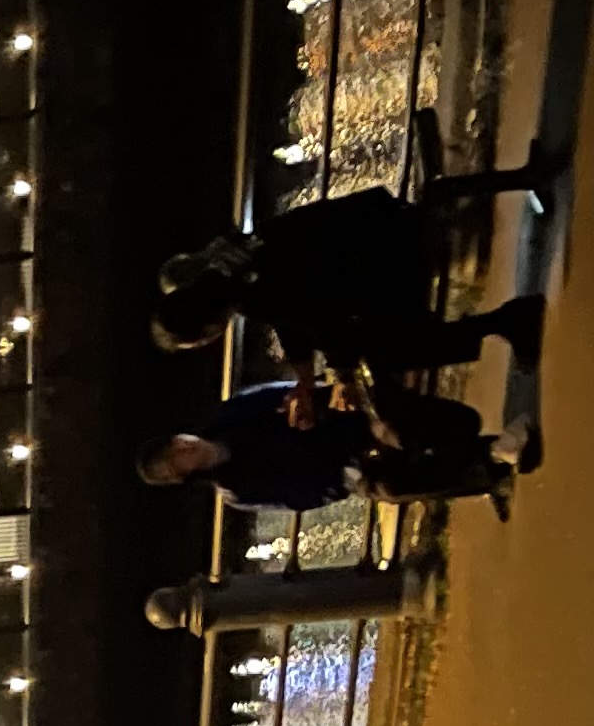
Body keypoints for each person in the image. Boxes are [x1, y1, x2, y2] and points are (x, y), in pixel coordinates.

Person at [149, 183, 547, 382]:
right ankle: (503, 323)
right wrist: (307, 372)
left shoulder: (247, 294)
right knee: (378, 340)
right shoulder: (229, 264)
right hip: (374, 218)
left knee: (391, 353)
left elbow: (320, 317)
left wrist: (340, 369)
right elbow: (293, 314)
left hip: (387, 248)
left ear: (204, 326)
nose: (208, 342)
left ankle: (508, 321)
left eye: (199, 339)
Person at [138, 378, 516, 512]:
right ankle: (484, 471)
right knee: (387, 486)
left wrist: (305, 406)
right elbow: (297, 495)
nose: (186, 452)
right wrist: (341, 477)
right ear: (184, 475)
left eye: (178, 446)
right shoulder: (237, 488)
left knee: (391, 427)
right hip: (342, 468)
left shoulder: (230, 414)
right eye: (178, 463)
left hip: (342, 423)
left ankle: (483, 451)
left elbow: (288, 394)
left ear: (181, 435)